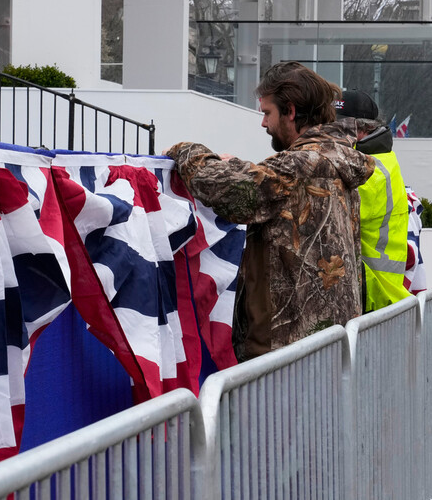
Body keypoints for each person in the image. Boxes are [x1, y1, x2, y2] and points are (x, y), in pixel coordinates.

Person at [165, 61, 373, 361]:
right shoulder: (336, 159)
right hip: (330, 343)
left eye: (267, 113)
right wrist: (239, 167)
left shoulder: (299, 166)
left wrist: (185, 151)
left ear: (290, 111)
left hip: (288, 352)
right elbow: (272, 186)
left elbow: (225, 188)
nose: (263, 124)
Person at [334, 90, 412, 313]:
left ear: (361, 129)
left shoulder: (370, 171)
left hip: (374, 294)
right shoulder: (378, 160)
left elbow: (330, 212)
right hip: (378, 294)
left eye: (338, 127)